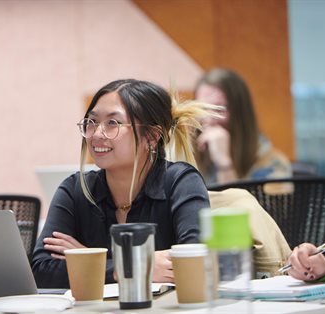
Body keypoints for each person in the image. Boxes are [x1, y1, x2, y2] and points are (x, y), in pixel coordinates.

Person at [32, 79, 211, 288]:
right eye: (91, 122)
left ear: (152, 136)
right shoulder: (75, 189)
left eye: (112, 123)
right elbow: (41, 270)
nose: (97, 134)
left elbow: (194, 262)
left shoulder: (181, 181)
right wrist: (133, 267)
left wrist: (87, 260)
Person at [194, 68, 291, 184]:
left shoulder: (273, 163)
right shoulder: (191, 157)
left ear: (241, 114)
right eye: (202, 109)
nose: (209, 119)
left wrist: (224, 164)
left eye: (219, 110)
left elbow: (234, 202)